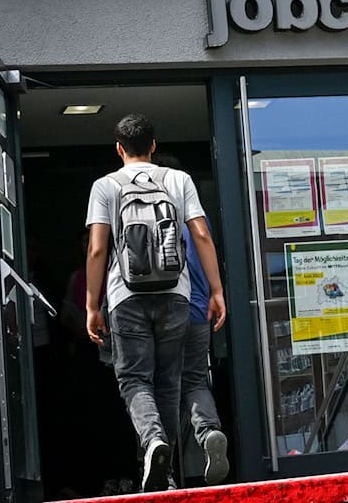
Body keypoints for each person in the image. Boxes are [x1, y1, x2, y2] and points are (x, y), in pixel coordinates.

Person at [85, 114, 227, 492]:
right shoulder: (178, 180)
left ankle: (153, 444)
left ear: (119, 148)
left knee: (134, 378)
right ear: (153, 145)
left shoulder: (105, 186)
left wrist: (91, 305)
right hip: (176, 296)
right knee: (171, 381)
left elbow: (98, 249)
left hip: (125, 297)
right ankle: (164, 469)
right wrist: (216, 290)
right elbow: (200, 234)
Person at [153, 153, 229, 485]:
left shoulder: (152, 215)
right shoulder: (199, 219)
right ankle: (209, 431)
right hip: (199, 311)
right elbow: (206, 248)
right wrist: (216, 292)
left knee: (162, 388)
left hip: (164, 313)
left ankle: (163, 469)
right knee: (195, 380)